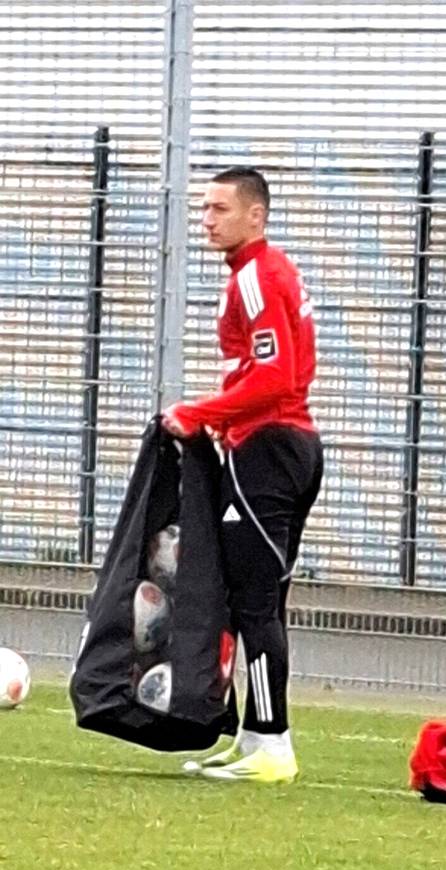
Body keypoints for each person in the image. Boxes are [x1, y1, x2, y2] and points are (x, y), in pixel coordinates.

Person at [163, 166, 323, 784]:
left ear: (255, 215)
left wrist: (197, 412)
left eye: (219, 209)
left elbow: (275, 378)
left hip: (270, 451)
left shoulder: (257, 275)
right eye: (203, 208)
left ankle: (274, 746)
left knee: (256, 604)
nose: (207, 219)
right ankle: (250, 735)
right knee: (254, 599)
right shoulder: (260, 274)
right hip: (280, 446)